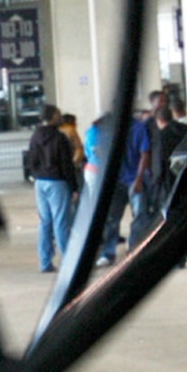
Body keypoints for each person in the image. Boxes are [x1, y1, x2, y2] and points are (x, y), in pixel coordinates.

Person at [129, 89, 187, 250]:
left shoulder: (160, 134)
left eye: (165, 101)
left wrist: (155, 180)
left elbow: (157, 158)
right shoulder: (182, 129)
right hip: (178, 177)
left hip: (163, 179)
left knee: (161, 213)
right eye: (161, 101)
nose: (163, 103)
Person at [25, 103, 79, 272]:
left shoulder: (35, 136)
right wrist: (74, 187)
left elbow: (31, 160)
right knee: (61, 222)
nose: (60, 115)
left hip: (40, 182)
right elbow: (66, 165)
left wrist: (35, 175)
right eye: (57, 113)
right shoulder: (59, 137)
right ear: (52, 116)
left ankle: (45, 262)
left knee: (45, 222)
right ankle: (69, 261)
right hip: (57, 182)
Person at [84, 110, 132, 265]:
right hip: (100, 175)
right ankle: (106, 250)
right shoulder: (96, 132)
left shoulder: (98, 132)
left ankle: (108, 249)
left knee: (111, 216)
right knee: (108, 215)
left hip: (110, 176)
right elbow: (95, 152)